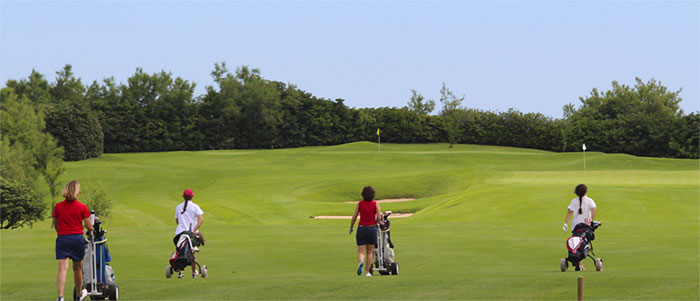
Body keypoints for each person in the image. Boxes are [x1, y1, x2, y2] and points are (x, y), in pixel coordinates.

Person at [52, 180, 94, 301]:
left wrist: (61, 232)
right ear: (77, 191)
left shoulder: (58, 206)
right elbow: (89, 226)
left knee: (62, 268)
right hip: (77, 239)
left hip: (63, 239)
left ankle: (60, 296)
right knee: (77, 268)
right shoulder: (82, 207)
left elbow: (56, 224)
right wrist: (90, 231)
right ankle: (80, 293)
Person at [349, 186, 383, 277]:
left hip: (361, 228)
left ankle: (361, 261)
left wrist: (351, 227)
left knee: (361, 251)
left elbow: (354, 217)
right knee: (370, 252)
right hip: (372, 229)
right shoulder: (376, 204)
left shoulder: (360, 204)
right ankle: (367, 272)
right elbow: (379, 218)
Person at [563, 184, 597, 269]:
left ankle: (579, 263)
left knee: (576, 245)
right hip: (586, 227)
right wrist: (591, 219)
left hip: (575, 227)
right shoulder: (589, 200)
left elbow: (569, 212)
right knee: (583, 243)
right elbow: (594, 209)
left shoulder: (573, 201)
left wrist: (565, 223)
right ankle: (580, 264)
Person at [174, 188, 204, 278]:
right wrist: (194, 231)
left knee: (180, 252)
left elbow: (177, 220)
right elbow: (201, 219)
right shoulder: (195, 206)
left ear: (183, 197)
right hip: (191, 234)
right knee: (193, 253)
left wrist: (182, 227)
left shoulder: (179, 207)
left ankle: (181, 272)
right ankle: (194, 272)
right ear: (192, 196)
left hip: (180, 233)